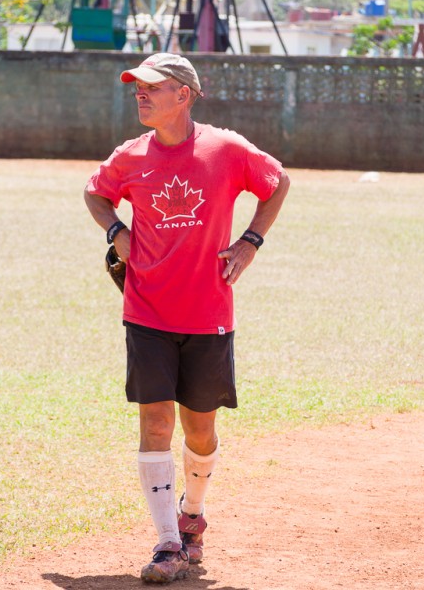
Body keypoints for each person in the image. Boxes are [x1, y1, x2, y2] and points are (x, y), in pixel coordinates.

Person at [84, 52, 290, 584]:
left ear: (185, 94)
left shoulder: (225, 149)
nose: (141, 94)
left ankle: (192, 513)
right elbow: (96, 191)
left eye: (154, 86)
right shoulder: (130, 157)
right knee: (155, 423)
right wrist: (116, 231)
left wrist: (250, 240)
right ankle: (168, 544)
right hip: (147, 310)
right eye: (137, 87)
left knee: (200, 431)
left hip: (208, 314)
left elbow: (277, 182)